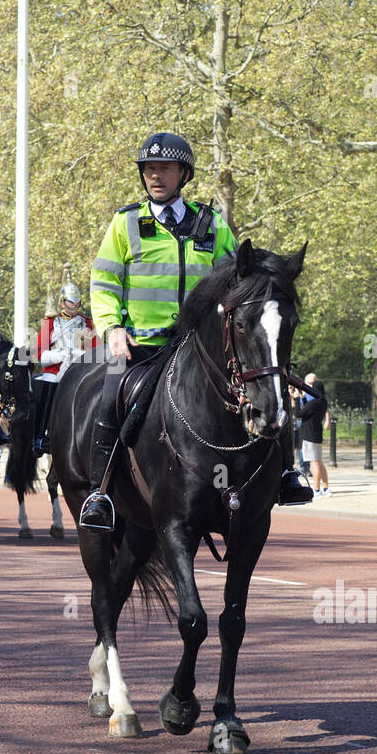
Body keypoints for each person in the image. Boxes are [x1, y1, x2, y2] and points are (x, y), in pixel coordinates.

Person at [80, 130, 255, 530]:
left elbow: (236, 281)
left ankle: (281, 477)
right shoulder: (125, 224)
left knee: (264, 387)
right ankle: (100, 493)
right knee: (109, 399)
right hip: (141, 344)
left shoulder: (212, 226)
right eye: (149, 169)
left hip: (200, 348)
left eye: (165, 168)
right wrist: (110, 328)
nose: (155, 176)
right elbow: (104, 281)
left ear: (184, 174)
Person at [33, 265, 97, 457]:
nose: (75, 307)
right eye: (70, 303)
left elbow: (94, 351)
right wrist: (61, 355)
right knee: (47, 388)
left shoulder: (87, 323)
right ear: (62, 303)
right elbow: (39, 355)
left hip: (79, 370)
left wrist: (79, 355)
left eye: (76, 303)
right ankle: (40, 436)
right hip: (54, 371)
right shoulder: (50, 323)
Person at [292, 373, 330, 498]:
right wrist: (302, 398)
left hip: (308, 434)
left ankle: (317, 490)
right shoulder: (323, 401)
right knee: (319, 462)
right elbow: (308, 411)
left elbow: (298, 413)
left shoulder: (313, 403)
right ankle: (325, 488)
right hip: (317, 433)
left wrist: (297, 399)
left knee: (314, 463)